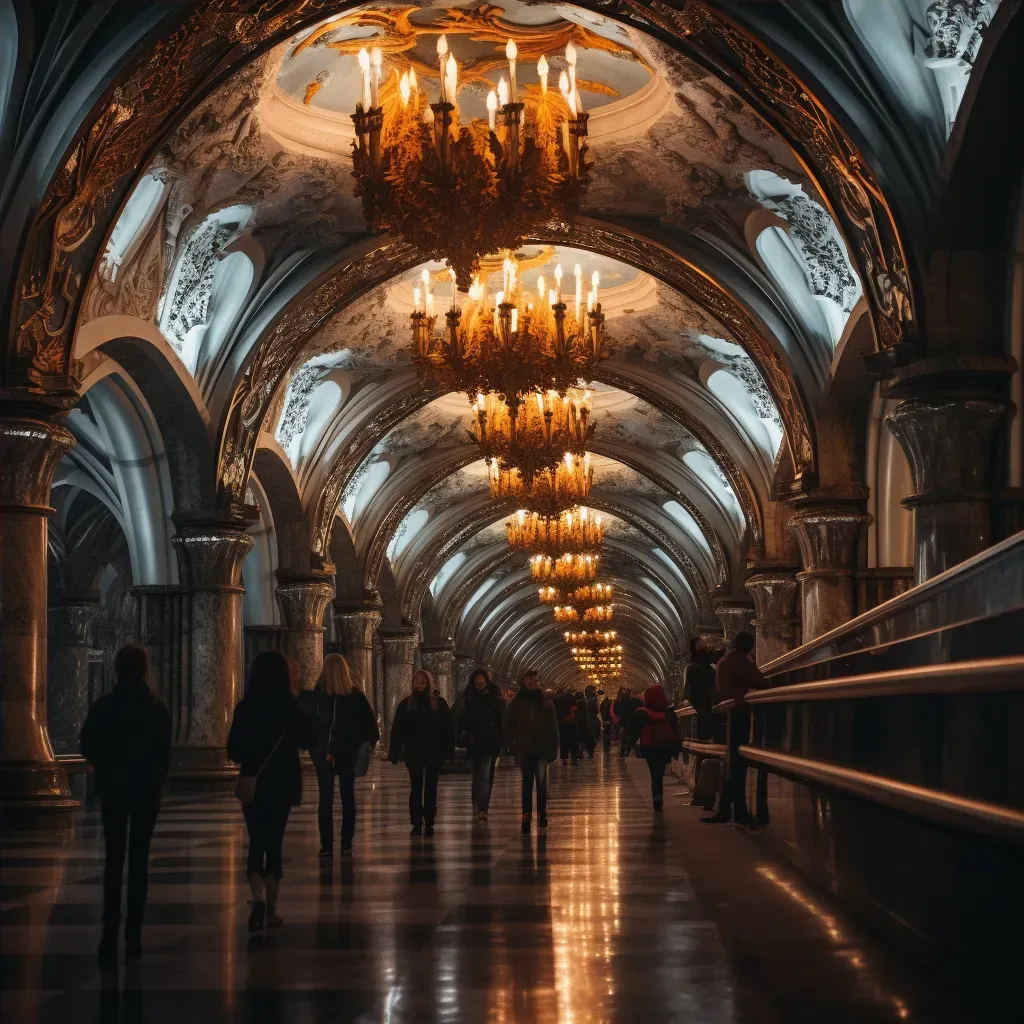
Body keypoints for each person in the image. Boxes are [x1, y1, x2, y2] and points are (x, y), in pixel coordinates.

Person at [80, 645, 171, 970]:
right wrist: (155, 779)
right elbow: (164, 754)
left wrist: (104, 766)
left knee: (114, 860)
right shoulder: (155, 707)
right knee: (139, 862)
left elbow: (87, 742)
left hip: (114, 789)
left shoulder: (105, 706)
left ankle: (108, 934)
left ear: (117, 669)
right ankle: (133, 936)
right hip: (145, 791)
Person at [227, 651, 317, 932]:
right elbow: (310, 738)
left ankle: (257, 900)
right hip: (282, 781)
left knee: (256, 841)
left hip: (253, 779)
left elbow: (233, 750)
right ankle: (273, 909)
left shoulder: (245, 707)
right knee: (274, 842)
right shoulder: (290, 706)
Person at [310, 653, 378, 856]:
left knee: (326, 800)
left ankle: (327, 844)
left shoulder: (318, 696)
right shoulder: (355, 696)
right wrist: (355, 745)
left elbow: (311, 726)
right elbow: (371, 729)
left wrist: (317, 749)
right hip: (347, 754)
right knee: (347, 797)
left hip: (324, 755)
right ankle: (346, 842)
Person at [702, 630, 765, 826]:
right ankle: (736, 812)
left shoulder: (725, 661)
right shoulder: (739, 662)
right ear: (746, 646)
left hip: (729, 713)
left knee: (734, 764)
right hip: (740, 714)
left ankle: (729, 811)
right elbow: (761, 681)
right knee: (738, 764)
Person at [389, 669, 453, 836]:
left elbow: (447, 729)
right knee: (416, 787)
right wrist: (394, 751)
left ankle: (429, 820)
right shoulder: (407, 704)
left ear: (429, 683)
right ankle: (416, 821)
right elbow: (398, 729)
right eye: (417, 681)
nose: (419, 684)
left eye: (423, 681)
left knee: (431, 787)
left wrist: (448, 751)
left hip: (434, 752)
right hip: (414, 752)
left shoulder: (438, 703)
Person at [503, 670, 559, 833]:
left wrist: (553, 748)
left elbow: (553, 727)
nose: (533, 682)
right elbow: (507, 725)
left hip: (541, 749)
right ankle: (526, 816)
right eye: (530, 680)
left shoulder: (546, 702)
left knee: (541, 783)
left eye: (535, 680)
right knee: (526, 784)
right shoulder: (515, 702)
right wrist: (510, 746)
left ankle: (542, 813)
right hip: (524, 750)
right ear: (523, 681)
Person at [457, 667, 505, 821]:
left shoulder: (495, 698)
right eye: (477, 681)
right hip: (473, 743)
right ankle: (476, 804)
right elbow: (460, 719)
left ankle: (483, 807)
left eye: (482, 681)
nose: (480, 683)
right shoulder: (466, 698)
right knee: (477, 776)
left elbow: (501, 720)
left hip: (489, 743)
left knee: (484, 775)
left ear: (486, 681)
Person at [682, 635, 723, 804]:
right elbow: (689, 692)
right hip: (705, 715)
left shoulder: (709, 663)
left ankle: (707, 792)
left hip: (711, 713)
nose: (705, 642)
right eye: (700, 642)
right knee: (705, 753)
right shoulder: (695, 667)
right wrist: (704, 708)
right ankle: (703, 793)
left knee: (708, 754)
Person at [627, 685, 681, 811]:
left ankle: (657, 800)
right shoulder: (669, 713)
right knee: (659, 772)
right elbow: (675, 730)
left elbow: (632, 731)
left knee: (655, 773)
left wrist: (633, 744)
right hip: (666, 746)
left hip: (650, 747)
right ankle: (658, 799)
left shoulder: (640, 712)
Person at [554, 689, 580, 765]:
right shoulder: (573, 700)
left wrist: (561, 719)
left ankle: (564, 759)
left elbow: (557, 712)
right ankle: (574, 759)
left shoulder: (559, 701)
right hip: (572, 724)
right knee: (573, 742)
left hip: (563, 724)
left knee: (564, 742)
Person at [617, 689, 643, 756]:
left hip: (626, 722)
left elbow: (618, 711)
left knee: (624, 737)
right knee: (629, 736)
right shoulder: (636, 701)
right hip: (632, 721)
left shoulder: (622, 701)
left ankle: (623, 752)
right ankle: (628, 750)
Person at [583, 685, 600, 758]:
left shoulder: (586, 700)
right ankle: (590, 751)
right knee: (591, 736)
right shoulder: (591, 701)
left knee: (589, 737)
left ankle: (590, 751)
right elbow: (596, 711)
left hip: (588, 720)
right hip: (590, 720)